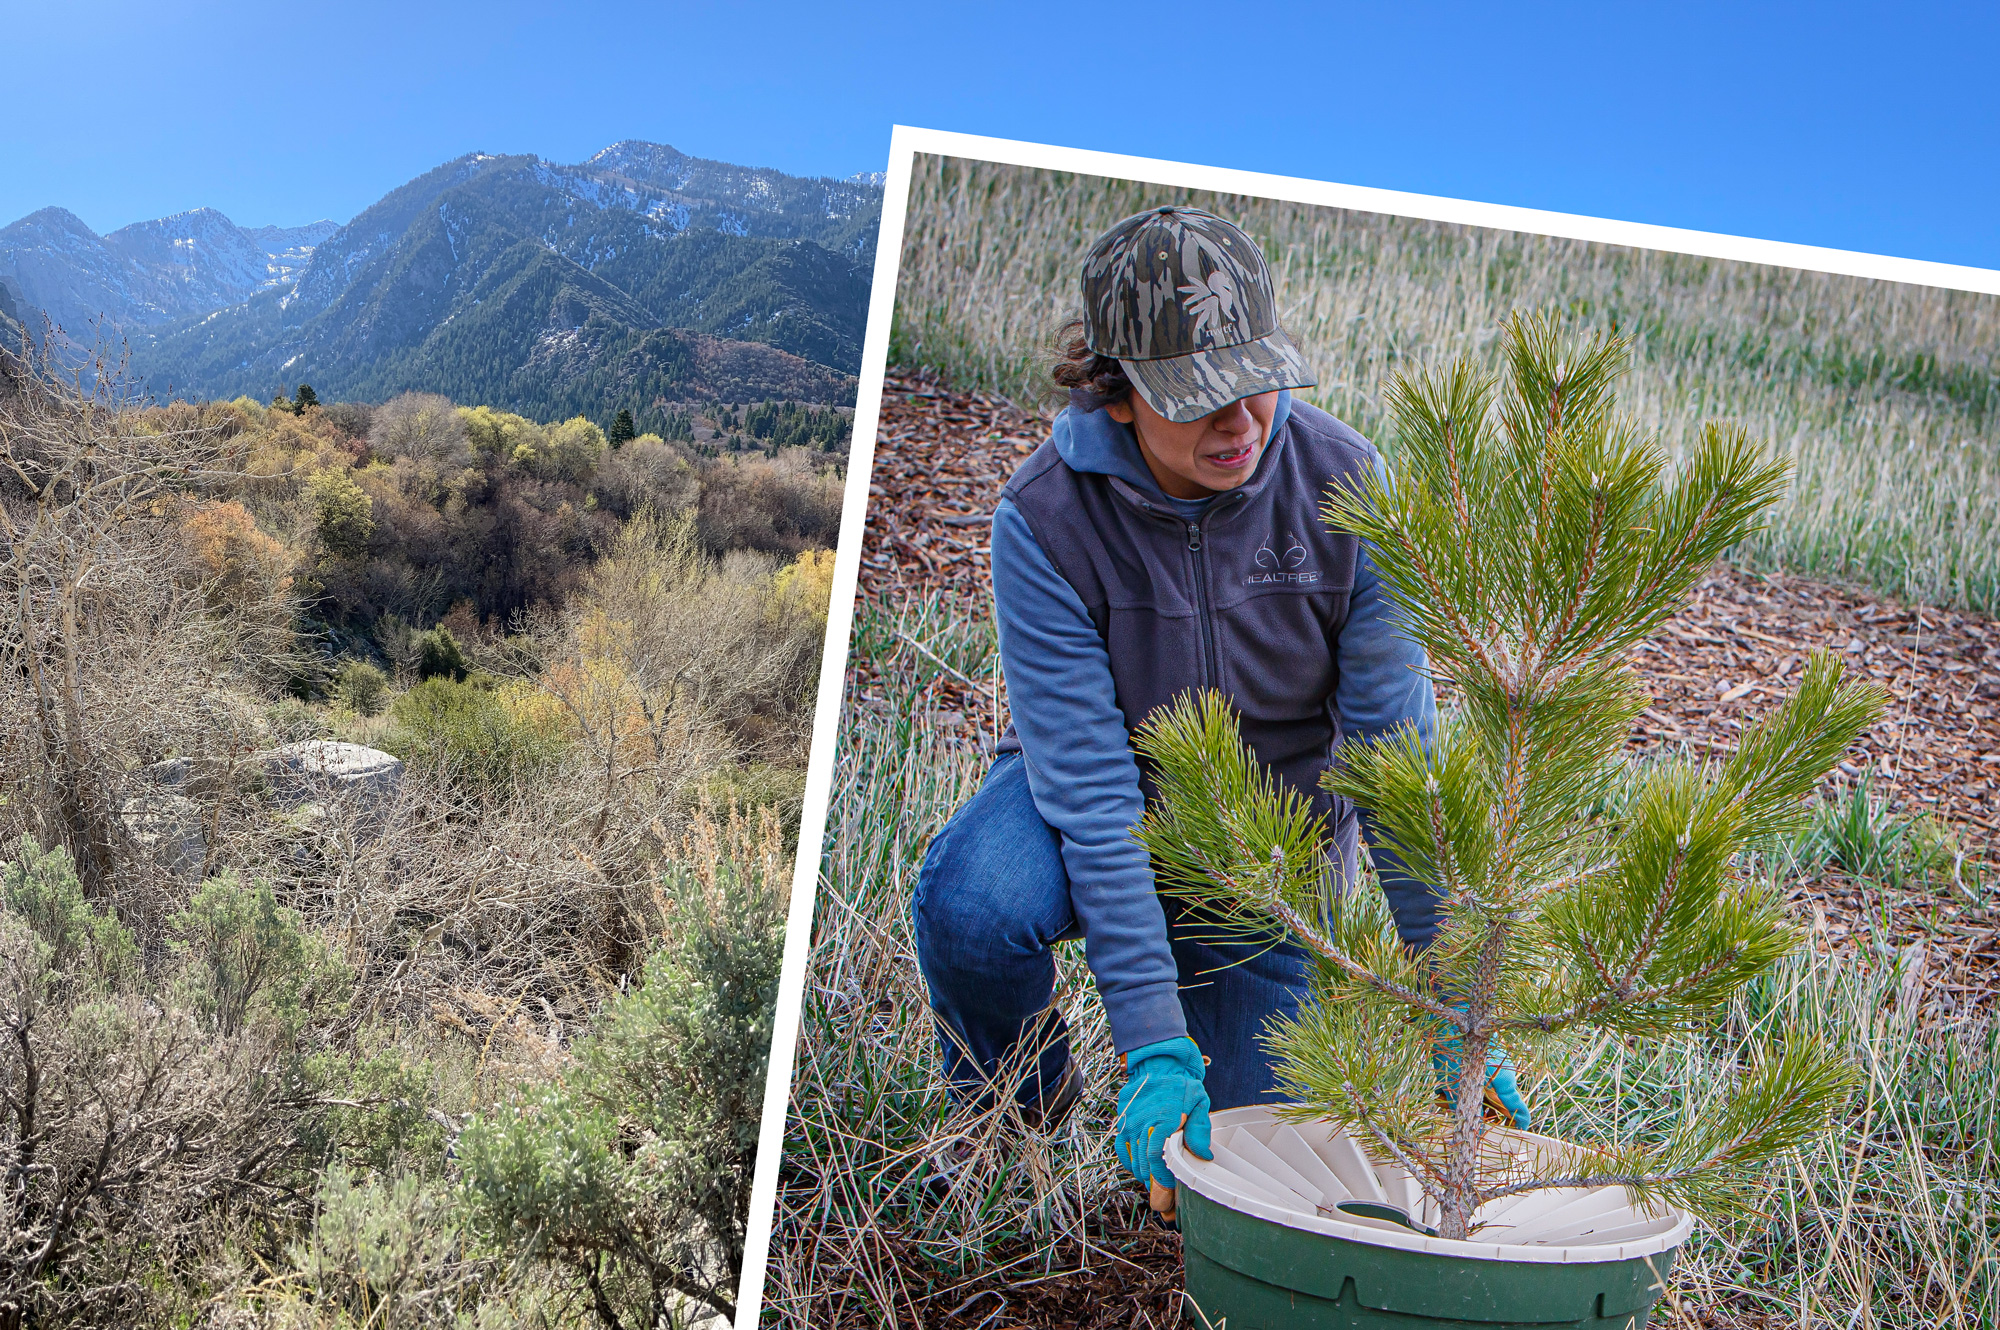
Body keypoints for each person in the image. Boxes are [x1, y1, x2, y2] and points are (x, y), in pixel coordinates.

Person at [911, 205, 1526, 1215]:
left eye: (1255, 383)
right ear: (1115, 394)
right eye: (1199, 398)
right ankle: (1011, 1121)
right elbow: (1093, 798)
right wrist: (1153, 1039)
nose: (1239, 423)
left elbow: (1393, 756)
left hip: (1267, 844)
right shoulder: (1044, 520)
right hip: (1091, 800)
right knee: (973, 903)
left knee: (1251, 1178)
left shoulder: (1349, 487)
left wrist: (1450, 995)